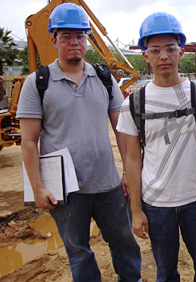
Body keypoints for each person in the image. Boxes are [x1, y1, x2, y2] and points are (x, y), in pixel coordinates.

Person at [17, 3, 141, 282]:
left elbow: (122, 131)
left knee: (124, 242)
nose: (74, 42)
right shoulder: (37, 82)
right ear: (54, 40)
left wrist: (127, 174)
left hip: (108, 185)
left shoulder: (103, 77)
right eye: (66, 36)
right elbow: (28, 142)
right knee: (79, 252)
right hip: (66, 193)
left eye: (80, 36)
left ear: (87, 39)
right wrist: (38, 188)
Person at [116, 12, 196, 282]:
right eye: (155, 49)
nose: (163, 55)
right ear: (145, 55)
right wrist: (136, 210)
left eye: (170, 48)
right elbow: (132, 158)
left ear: (181, 52)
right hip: (156, 206)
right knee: (165, 273)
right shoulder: (133, 103)